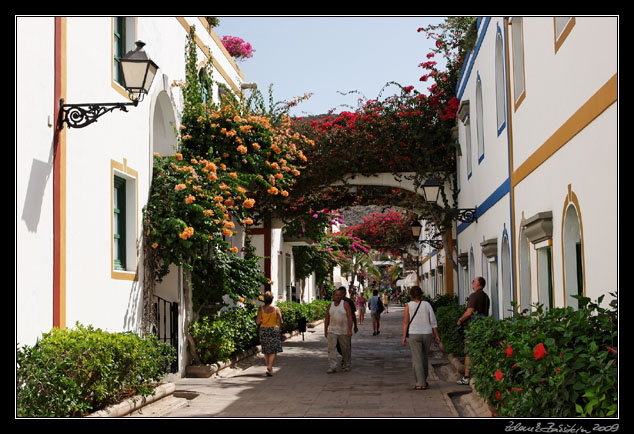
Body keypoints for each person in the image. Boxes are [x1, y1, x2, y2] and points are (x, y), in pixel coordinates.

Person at [402, 286, 440, 390]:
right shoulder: (427, 305)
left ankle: (420, 383)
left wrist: (404, 336)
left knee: (416, 358)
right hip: (427, 333)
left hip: (414, 333)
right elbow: (433, 321)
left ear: (411, 295)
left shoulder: (408, 306)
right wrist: (436, 335)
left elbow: (406, 322)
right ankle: (424, 380)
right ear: (421, 294)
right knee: (424, 357)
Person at [456, 276, 490, 385]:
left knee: (469, 352)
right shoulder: (486, 297)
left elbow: (469, 312)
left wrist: (460, 320)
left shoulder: (473, 296)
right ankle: (481, 375)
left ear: (478, 284)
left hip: (473, 327)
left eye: (474, 281)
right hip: (484, 326)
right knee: (481, 351)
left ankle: (466, 377)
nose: (472, 283)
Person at [324, 287, 354, 373]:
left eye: (339, 295)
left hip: (343, 330)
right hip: (332, 331)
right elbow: (327, 319)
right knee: (331, 349)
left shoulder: (345, 304)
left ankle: (347, 364)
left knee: (345, 349)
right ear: (333, 296)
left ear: (341, 296)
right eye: (336, 295)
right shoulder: (330, 305)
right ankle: (332, 366)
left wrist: (349, 329)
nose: (338, 296)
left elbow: (350, 317)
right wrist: (325, 330)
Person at [256, 291, 283, 377]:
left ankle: (269, 368)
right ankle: (270, 366)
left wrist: (261, 320)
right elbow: (280, 320)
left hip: (263, 330)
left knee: (266, 349)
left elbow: (257, 321)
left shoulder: (261, 309)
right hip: (273, 329)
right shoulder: (276, 309)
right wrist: (279, 328)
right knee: (273, 349)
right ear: (272, 299)